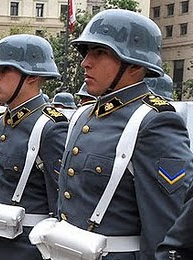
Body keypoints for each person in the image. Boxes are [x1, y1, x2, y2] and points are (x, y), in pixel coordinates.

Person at [55, 9, 193, 259]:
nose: (86, 62)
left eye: (100, 53)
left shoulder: (155, 123)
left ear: (134, 64)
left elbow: (165, 228)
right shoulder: (83, 116)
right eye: (86, 52)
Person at [0, 34, 69, 260]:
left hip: (29, 251)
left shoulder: (50, 127)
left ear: (32, 75)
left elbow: (61, 207)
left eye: (5, 70)